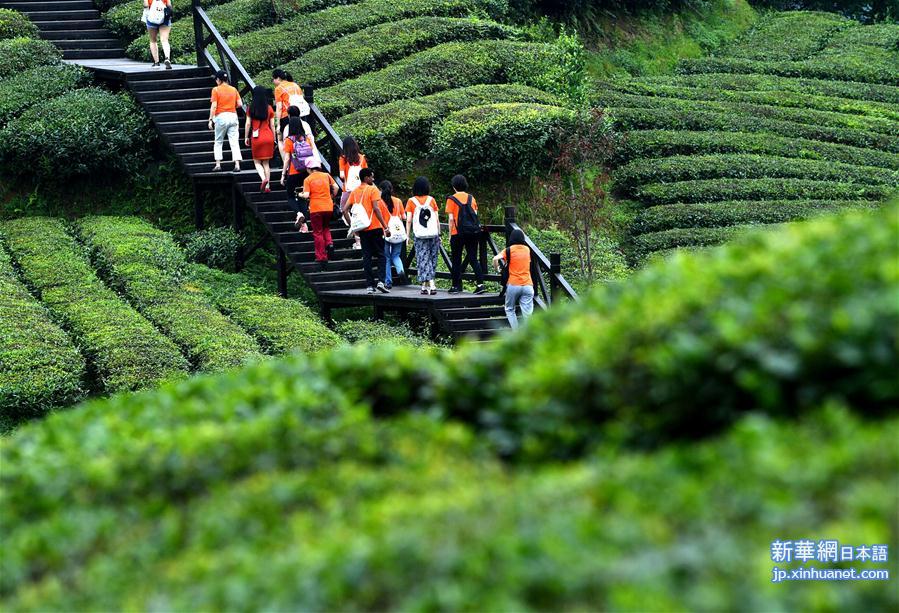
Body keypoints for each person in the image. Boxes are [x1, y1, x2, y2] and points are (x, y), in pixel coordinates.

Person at [344, 168, 390, 294]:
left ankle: (370, 285)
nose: (373, 179)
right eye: (372, 177)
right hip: (374, 228)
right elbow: (376, 208)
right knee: (381, 255)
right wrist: (385, 226)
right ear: (366, 177)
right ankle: (381, 281)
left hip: (363, 229)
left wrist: (352, 226)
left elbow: (344, 210)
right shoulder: (373, 190)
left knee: (367, 256)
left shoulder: (354, 192)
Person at [445, 174, 485, 294]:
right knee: (473, 258)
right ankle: (480, 285)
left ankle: (456, 286)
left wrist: (450, 234)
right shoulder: (471, 198)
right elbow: (475, 215)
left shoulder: (451, 199)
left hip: (457, 233)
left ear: (454, 186)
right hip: (472, 232)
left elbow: (451, 219)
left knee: (456, 259)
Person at [297, 159, 338, 268]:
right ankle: (329, 243)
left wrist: (299, 195)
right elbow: (336, 187)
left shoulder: (308, 179)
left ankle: (322, 257)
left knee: (318, 232)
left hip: (316, 208)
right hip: (328, 206)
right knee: (326, 227)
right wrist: (332, 197)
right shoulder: (326, 175)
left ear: (309, 168)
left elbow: (306, 195)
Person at [405, 176, 440, 296]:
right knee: (432, 258)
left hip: (420, 235)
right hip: (433, 234)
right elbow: (436, 219)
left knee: (423, 258)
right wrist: (439, 233)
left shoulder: (411, 201)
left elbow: (408, 220)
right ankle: (426, 286)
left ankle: (430, 284)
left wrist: (407, 235)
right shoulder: (431, 200)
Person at [492, 228, 534, 329]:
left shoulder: (509, 250)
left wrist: (497, 268)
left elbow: (495, 258)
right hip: (528, 285)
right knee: (527, 313)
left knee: (510, 309)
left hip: (514, 284)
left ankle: (516, 333)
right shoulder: (527, 250)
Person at [281, 115, 316, 230]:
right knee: (302, 197)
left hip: (293, 172)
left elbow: (287, 159)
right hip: (306, 172)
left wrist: (283, 175)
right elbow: (311, 155)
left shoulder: (289, 140)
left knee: (291, 196)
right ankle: (304, 225)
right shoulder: (307, 138)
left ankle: (298, 214)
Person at [208, 70, 243, 173]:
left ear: (218, 80)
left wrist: (210, 119)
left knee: (218, 141)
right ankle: (237, 165)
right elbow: (240, 104)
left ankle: (218, 164)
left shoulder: (216, 90)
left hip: (221, 116)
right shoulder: (233, 89)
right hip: (233, 116)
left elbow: (214, 106)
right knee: (234, 142)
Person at [244, 85, 275, 192]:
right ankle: (267, 186)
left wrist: (246, 137)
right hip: (268, 136)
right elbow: (272, 126)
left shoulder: (250, 108)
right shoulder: (269, 108)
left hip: (257, 138)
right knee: (266, 163)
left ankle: (263, 179)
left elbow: (248, 124)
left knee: (257, 162)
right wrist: (274, 137)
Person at [339, 136, 367, 251]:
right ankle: (364, 239)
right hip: (361, 190)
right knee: (360, 213)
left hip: (348, 190)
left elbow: (341, 175)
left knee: (344, 210)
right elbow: (366, 174)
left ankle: (356, 235)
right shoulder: (362, 157)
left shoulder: (343, 158)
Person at [379, 180, 406, 289]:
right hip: (398, 232)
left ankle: (388, 282)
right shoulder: (398, 201)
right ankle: (400, 270)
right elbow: (404, 217)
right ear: (391, 190)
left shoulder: (379, 202)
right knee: (395, 255)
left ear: (381, 190)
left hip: (385, 232)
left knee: (386, 257)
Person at [272, 69, 304, 143]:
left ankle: (286, 154)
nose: (273, 81)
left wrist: (278, 124)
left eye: (273, 79)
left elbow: (279, 107)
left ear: (278, 78)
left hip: (286, 116)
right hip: (300, 114)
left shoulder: (279, 89)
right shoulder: (295, 85)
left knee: (283, 140)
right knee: (299, 138)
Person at [142, 0, 172, 69]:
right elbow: (169, 5)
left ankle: (156, 62)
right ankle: (167, 58)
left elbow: (146, 5)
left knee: (153, 40)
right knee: (164, 40)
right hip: (164, 18)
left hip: (151, 18)